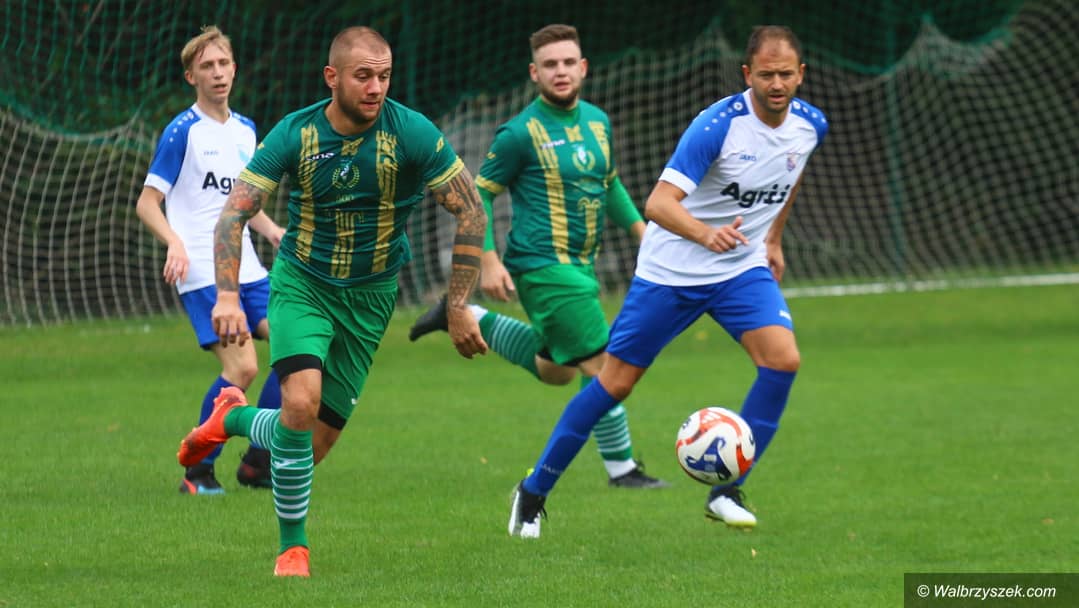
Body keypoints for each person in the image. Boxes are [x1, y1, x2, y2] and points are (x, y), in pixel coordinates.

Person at [175, 26, 488, 577]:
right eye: (363, 76)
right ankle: (292, 549)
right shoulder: (296, 133)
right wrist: (227, 294)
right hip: (304, 285)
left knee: (310, 447)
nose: (376, 87)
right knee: (299, 404)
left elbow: (472, 210)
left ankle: (234, 417)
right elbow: (233, 215)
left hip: (371, 298)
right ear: (332, 77)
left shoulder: (412, 132)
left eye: (384, 76)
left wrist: (458, 304)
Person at [507, 25, 828, 538]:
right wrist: (705, 234)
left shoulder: (811, 125)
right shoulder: (718, 127)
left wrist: (773, 239)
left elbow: (787, 178)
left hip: (740, 270)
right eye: (766, 74)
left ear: (801, 75)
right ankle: (533, 492)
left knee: (782, 360)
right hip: (672, 273)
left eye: (785, 74)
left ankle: (726, 492)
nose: (776, 84)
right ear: (748, 74)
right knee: (614, 383)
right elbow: (658, 204)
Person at [409, 24, 668, 489]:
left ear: (583, 67)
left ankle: (466, 316)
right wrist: (488, 259)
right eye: (550, 64)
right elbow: (478, 196)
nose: (560, 71)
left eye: (568, 62)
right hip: (542, 266)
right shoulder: (519, 133)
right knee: (607, 366)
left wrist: (641, 232)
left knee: (557, 370)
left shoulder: (597, 122)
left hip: (581, 263)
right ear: (535, 73)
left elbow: (608, 183)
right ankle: (622, 469)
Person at [136, 25, 284, 496]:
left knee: (297, 351)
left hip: (248, 265)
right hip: (202, 268)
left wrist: (273, 230)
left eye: (223, 63)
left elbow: (243, 203)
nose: (217, 73)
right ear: (191, 77)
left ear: (234, 69)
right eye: (207, 66)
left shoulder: (246, 130)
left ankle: (259, 461)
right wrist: (174, 243)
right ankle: (197, 472)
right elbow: (147, 203)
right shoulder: (182, 132)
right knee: (243, 368)